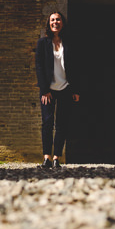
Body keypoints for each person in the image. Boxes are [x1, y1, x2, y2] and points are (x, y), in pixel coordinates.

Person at [35, 10, 79, 168]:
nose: (55, 22)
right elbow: (39, 67)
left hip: (65, 88)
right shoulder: (43, 43)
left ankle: (56, 158)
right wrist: (44, 89)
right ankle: (46, 157)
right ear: (49, 23)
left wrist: (75, 90)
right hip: (48, 90)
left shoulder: (69, 43)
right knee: (47, 122)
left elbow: (75, 66)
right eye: (52, 20)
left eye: (58, 20)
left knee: (62, 124)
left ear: (62, 23)